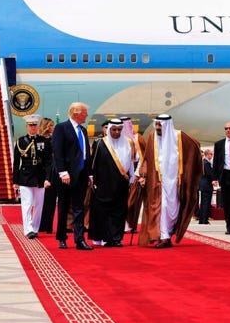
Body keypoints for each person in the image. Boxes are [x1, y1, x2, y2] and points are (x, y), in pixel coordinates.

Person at [137, 114, 202, 248]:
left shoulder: (179, 136)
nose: (157, 127)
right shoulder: (152, 137)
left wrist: (191, 166)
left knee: (173, 210)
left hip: (176, 182)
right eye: (156, 124)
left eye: (160, 125)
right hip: (158, 181)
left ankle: (167, 234)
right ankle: (163, 237)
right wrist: (143, 175)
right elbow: (147, 158)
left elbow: (194, 146)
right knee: (162, 207)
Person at [51, 102, 94, 250]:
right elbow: (58, 152)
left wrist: (89, 173)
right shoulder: (61, 128)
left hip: (81, 175)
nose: (87, 115)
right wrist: (63, 172)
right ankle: (62, 237)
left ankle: (79, 239)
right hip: (66, 175)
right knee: (63, 207)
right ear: (76, 114)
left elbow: (85, 154)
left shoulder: (83, 130)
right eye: (85, 113)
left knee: (79, 207)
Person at [88, 119, 134, 247]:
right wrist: (92, 178)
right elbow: (93, 162)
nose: (117, 132)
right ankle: (104, 237)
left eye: (119, 129)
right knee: (103, 210)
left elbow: (130, 161)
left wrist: (131, 177)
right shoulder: (100, 143)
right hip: (103, 183)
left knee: (119, 210)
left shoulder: (127, 143)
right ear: (109, 130)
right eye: (114, 129)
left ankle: (116, 238)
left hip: (121, 183)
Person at [12, 114, 52, 238]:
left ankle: (34, 228)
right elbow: (16, 162)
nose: (33, 127)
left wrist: (48, 178)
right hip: (25, 177)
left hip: (40, 177)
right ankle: (28, 229)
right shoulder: (21, 141)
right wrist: (15, 181)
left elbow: (48, 162)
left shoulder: (44, 141)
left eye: (34, 125)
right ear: (26, 126)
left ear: (37, 126)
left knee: (39, 205)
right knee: (27, 204)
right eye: (30, 125)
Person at [38, 117, 56, 233]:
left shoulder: (53, 139)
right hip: (42, 172)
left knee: (50, 201)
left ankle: (48, 225)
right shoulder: (39, 140)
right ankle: (40, 225)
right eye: (51, 126)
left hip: (52, 172)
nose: (53, 128)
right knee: (40, 202)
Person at [198, 149, 214, 225]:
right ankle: (204, 219)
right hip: (207, 185)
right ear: (207, 154)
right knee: (206, 203)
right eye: (211, 154)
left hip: (203, 184)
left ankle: (202, 219)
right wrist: (214, 179)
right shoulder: (206, 163)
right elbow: (209, 174)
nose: (212, 156)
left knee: (203, 202)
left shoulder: (203, 162)